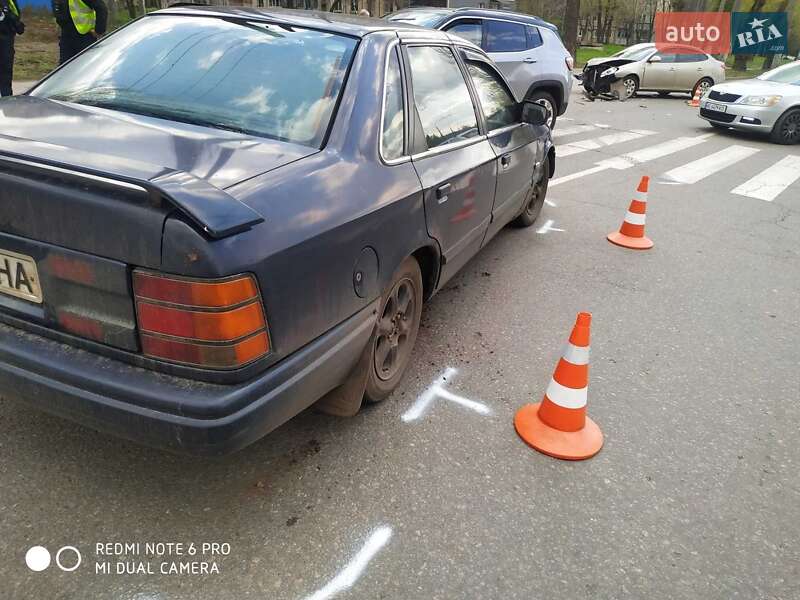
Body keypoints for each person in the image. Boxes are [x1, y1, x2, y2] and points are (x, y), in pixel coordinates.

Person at [52, 0, 108, 64]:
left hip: (85, 36)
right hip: (66, 36)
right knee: (65, 68)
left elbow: (101, 8)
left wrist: (99, 31)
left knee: (87, 65)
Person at [0, 0, 24, 97]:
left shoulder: (8, 1)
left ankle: (7, 99)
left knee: (6, 73)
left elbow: (16, 14)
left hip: (6, 38)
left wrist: (12, 17)